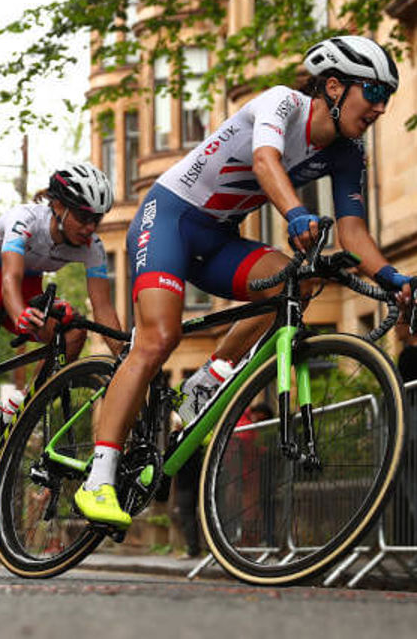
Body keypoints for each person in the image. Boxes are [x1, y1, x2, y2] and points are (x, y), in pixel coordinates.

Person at [73, 35, 415, 528]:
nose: (381, 107)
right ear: (335, 87)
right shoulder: (282, 104)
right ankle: (98, 478)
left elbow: (353, 229)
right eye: (374, 93)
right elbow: (265, 162)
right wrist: (296, 214)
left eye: (387, 97)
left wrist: (391, 276)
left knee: (291, 281)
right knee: (159, 338)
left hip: (216, 239)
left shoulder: (347, 153)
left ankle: (207, 381)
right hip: (168, 217)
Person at [0, 163, 125, 532]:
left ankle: (24, 405)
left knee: (74, 328)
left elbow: (105, 310)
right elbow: (9, 281)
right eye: (83, 217)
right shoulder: (24, 219)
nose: (91, 227)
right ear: (59, 206)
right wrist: (19, 315)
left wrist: (127, 357)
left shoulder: (91, 246)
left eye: (97, 218)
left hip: (27, 289)